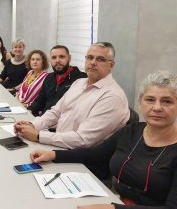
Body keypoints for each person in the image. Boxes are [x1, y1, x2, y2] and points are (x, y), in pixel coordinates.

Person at [30, 70, 177, 208]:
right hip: (116, 200)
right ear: (140, 103)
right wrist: (53, 154)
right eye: (150, 100)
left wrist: (113, 208)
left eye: (167, 101)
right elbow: (96, 154)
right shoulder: (132, 131)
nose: (157, 107)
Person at [14, 42, 130, 149]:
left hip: (81, 160)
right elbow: (56, 112)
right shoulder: (79, 83)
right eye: (89, 57)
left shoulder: (112, 97)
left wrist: (39, 136)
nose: (93, 62)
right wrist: (31, 124)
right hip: (58, 144)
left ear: (111, 65)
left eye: (100, 59)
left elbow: (83, 140)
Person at [28, 45, 87, 116]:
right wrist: (29, 111)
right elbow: (39, 101)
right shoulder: (49, 78)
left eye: (62, 57)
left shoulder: (81, 79)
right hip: (44, 122)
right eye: (54, 57)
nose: (57, 60)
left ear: (69, 58)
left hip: (63, 124)